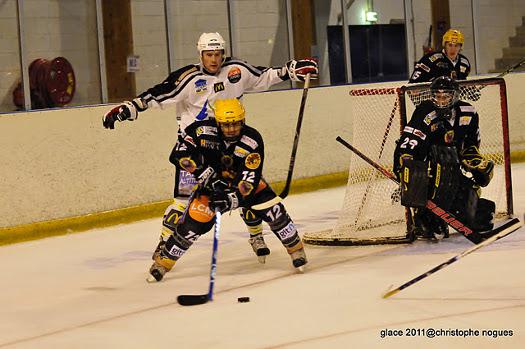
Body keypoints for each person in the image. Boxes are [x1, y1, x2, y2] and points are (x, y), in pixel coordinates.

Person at [102, 32, 318, 263]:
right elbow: (158, 94)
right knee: (182, 203)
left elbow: (264, 77)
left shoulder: (236, 70)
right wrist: (129, 108)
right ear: (201, 55)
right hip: (194, 151)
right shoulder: (188, 78)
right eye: (208, 55)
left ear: (223, 54)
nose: (214, 59)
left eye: (217, 54)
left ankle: (256, 236)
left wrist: (291, 70)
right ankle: (165, 244)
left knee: (248, 190)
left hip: (231, 148)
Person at [147, 98, 308, 282]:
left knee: (274, 210)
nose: (231, 129)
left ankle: (296, 250)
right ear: (217, 122)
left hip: (242, 186)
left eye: (235, 124)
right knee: (192, 225)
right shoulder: (201, 131)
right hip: (210, 188)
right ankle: (163, 262)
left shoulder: (252, 139)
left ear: (243, 120)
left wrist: (231, 199)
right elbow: (177, 155)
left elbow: (250, 180)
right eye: (226, 125)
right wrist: (200, 171)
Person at [393, 76, 495, 240]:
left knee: (480, 217)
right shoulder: (425, 111)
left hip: (452, 169)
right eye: (437, 96)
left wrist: (475, 163)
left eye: (445, 96)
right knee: (430, 225)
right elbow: (410, 141)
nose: (441, 101)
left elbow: (470, 146)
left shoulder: (468, 113)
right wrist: (408, 167)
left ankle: (447, 211)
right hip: (427, 170)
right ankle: (424, 213)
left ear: (454, 96)